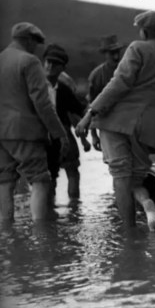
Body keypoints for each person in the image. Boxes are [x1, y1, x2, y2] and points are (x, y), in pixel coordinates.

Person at [76, 10, 155, 232]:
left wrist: (90, 113)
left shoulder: (137, 49)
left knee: (120, 177)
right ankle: (147, 205)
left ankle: (129, 235)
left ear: (144, 31)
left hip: (116, 121)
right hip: (149, 129)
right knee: (135, 179)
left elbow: (119, 83)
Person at [0, 22, 68, 223]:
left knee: (4, 181)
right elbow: (42, 102)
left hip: (1, 132)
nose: (36, 48)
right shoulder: (29, 61)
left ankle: (6, 231)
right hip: (25, 132)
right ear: (29, 40)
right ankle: (41, 234)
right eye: (36, 43)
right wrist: (59, 133)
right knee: (40, 179)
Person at [43, 43, 91, 201]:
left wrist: (86, 133)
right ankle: (52, 209)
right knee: (47, 176)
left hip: (62, 132)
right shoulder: (36, 86)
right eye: (48, 62)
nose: (50, 66)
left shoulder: (63, 89)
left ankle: (73, 206)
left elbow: (78, 111)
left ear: (62, 68)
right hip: (42, 135)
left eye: (55, 63)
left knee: (71, 170)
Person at [87, 34, 125, 151]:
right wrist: (94, 135)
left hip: (130, 125)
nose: (116, 56)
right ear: (105, 54)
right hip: (107, 127)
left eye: (117, 52)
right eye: (112, 53)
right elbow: (92, 107)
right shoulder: (97, 76)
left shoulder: (129, 70)